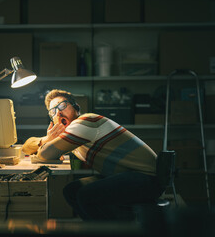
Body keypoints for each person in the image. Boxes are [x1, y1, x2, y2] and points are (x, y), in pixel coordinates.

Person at [22, 89, 163, 221]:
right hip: (132, 176)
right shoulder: (71, 132)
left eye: (62, 106)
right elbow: (26, 148)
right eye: (52, 111)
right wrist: (46, 139)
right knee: (72, 190)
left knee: (86, 194)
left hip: (146, 179)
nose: (58, 113)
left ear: (76, 107)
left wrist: (48, 145)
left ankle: (112, 230)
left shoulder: (85, 122)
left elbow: (45, 154)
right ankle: (100, 228)